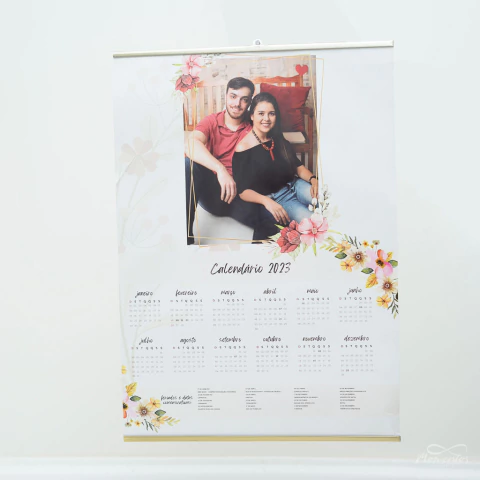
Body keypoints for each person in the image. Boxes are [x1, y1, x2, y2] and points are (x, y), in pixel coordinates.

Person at [184, 77, 278, 244]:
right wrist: (221, 170)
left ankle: (256, 257)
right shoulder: (211, 121)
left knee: (277, 221)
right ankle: (187, 240)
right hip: (212, 192)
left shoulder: (254, 126)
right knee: (188, 165)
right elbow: (190, 144)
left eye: (244, 99)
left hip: (239, 195)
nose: (237, 104)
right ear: (226, 96)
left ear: (249, 103)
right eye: (233, 96)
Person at [232, 92, 319, 227]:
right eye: (261, 113)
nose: (266, 119)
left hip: (296, 185)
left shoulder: (276, 136)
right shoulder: (243, 148)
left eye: (271, 114)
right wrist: (266, 201)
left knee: (327, 202)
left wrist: (313, 180)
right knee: (315, 224)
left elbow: (297, 166)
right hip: (278, 198)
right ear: (252, 116)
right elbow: (243, 191)